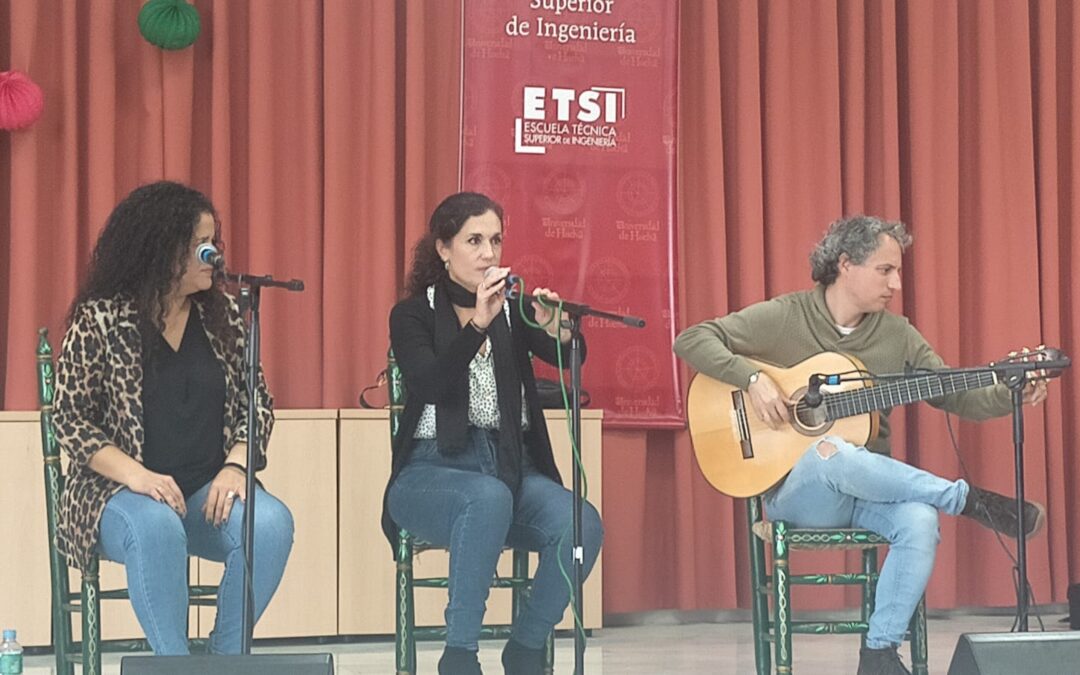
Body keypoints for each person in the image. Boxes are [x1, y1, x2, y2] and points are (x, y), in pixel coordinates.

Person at [672, 215, 1049, 675]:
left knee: (919, 519)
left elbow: (953, 393)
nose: (895, 283)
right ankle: (964, 498)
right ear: (846, 265)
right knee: (833, 451)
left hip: (868, 491)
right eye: (884, 270)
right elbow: (692, 338)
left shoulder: (898, 335)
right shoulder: (786, 316)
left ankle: (879, 653)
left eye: (897, 272)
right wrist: (752, 379)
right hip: (798, 496)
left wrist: (1008, 392)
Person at [52, 181, 294, 655]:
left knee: (270, 525)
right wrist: (139, 477)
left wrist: (236, 464)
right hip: (117, 493)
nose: (214, 256)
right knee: (158, 526)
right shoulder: (100, 317)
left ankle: (227, 659)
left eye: (214, 244)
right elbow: (72, 421)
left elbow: (257, 404)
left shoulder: (221, 313)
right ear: (164, 250)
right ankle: (174, 666)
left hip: (205, 488)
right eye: (202, 246)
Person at [383, 191, 604, 675]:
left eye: (496, 241)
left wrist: (560, 329)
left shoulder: (513, 308)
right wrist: (477, 324)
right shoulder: (412, 314)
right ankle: (459, 654)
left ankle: (525, 646)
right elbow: (430, 382)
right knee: (484, 498)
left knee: (582, 523)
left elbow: (572, 357)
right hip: (432, 471)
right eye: (474, 240)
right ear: (443, 248)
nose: (488, 254)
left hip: (509, 466)